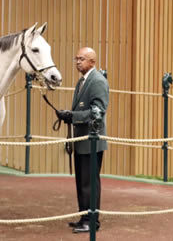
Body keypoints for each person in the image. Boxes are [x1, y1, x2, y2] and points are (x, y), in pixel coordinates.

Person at [57, 47, 109, 233]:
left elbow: (98, 112)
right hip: (82, 141)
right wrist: (69, 115)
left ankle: (92, 221)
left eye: (82, 59)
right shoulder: (83, 81)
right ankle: (84, 217)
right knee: (82, 181)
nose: (78, 62)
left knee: (89, 182)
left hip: (91, 142)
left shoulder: (97, 82)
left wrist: (73, 116)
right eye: (76, 58)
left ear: (92, 62)